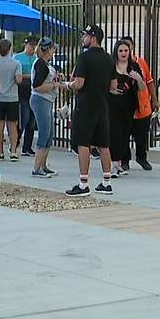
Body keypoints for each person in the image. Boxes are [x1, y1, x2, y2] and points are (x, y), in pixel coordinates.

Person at [65, 25, 115, 197]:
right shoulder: (109, 59)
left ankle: (83, 183)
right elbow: (113, 86)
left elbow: (79, 83)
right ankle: (106, 181)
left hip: (85, 107)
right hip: (103, 107)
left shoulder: (84, 58)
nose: (83, 38)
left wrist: (68, 85)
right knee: (103, 144)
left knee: (83, 143)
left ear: (93, 37)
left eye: (85, 35)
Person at [108, 40, 142, 178]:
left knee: (125, 134)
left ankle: (120, 163)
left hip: (128, 105)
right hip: (112, 104)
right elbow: (103, 83)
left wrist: (139, 78)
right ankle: (113, 164)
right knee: (114, 133)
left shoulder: (134, 66)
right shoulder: (110, 65)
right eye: (121, 51)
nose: (123, 53)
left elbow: (142, 88)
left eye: (126, 51)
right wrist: (110, 90)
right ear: (116, 51)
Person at [29, 37, 62, 178]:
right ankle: (37, 167)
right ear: (48, 49)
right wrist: (55, 85)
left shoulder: (45, 64)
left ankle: (43, 165)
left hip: (46, 100)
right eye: (53, 49)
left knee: (49, 135)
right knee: (44, 133)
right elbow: (37, 86)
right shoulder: (41, 64)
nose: (54, 51)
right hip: (41, 100)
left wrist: (56, 79)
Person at [121, 35, 155, 171]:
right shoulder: (117, 65)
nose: (125, 51)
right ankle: (125, 160)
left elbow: (149, 82)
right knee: (124, 134)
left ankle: (142, 157)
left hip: (142, 105)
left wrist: (155, 100)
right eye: (122, 48)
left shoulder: (140, 63)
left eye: (128, 47)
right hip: (126, 106)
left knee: (141, 135)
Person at [0, 39, 23, 161]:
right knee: (12, 126)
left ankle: (0, 152)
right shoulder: (16, 63)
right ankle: (13, 152)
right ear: (9, 49)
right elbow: (19, 80)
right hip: (12, 98)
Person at [14, 35, 40, 156]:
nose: (32, 47)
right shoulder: (18, 58)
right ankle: (16, 141)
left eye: (34, 45)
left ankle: (27, 147)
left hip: (32, 91)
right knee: (24, 119)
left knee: (31, 121)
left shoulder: (36, 59)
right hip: (22, 92)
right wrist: (26, 76)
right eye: (31, 45)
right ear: (26, 45)